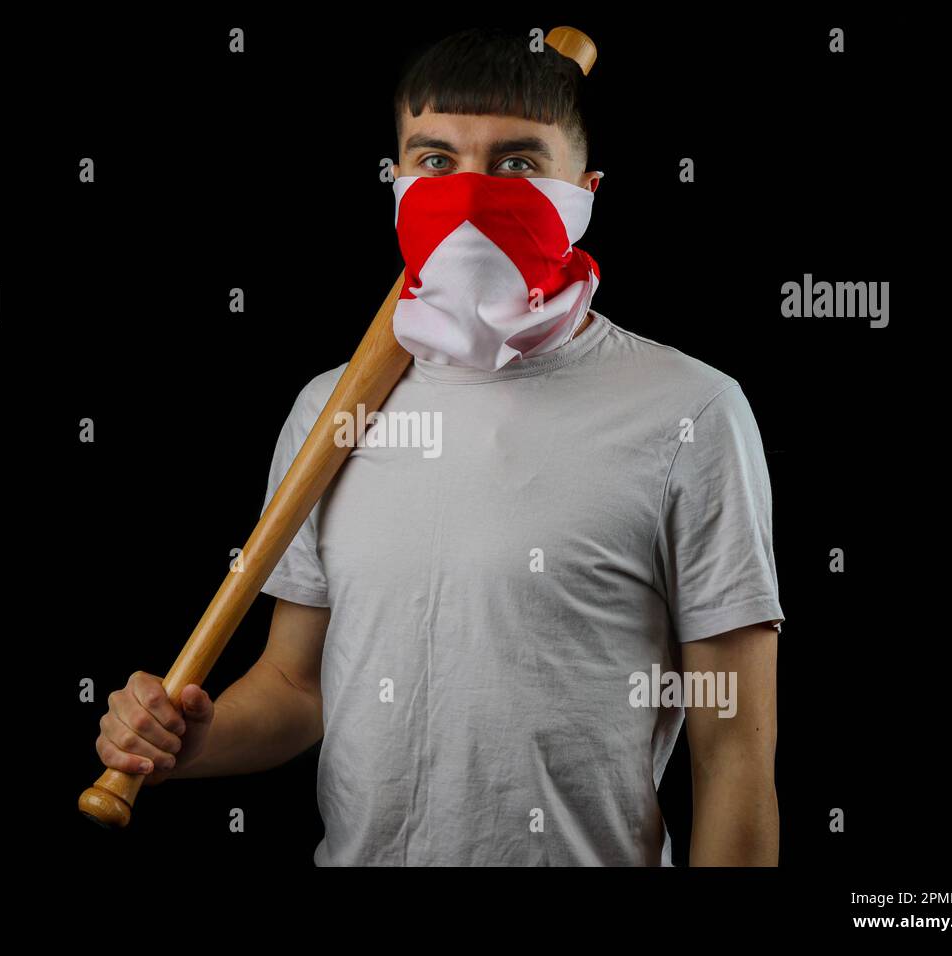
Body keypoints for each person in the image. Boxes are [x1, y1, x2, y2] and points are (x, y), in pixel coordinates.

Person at [94, 26, 784, 866]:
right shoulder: (329, 410)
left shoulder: (692, 411)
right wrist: (186, 742)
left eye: (518, 165)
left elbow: (734, 754)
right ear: (394, 179)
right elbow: (297, 688)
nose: (468, 196)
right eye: (435, 162)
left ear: (587, 190)